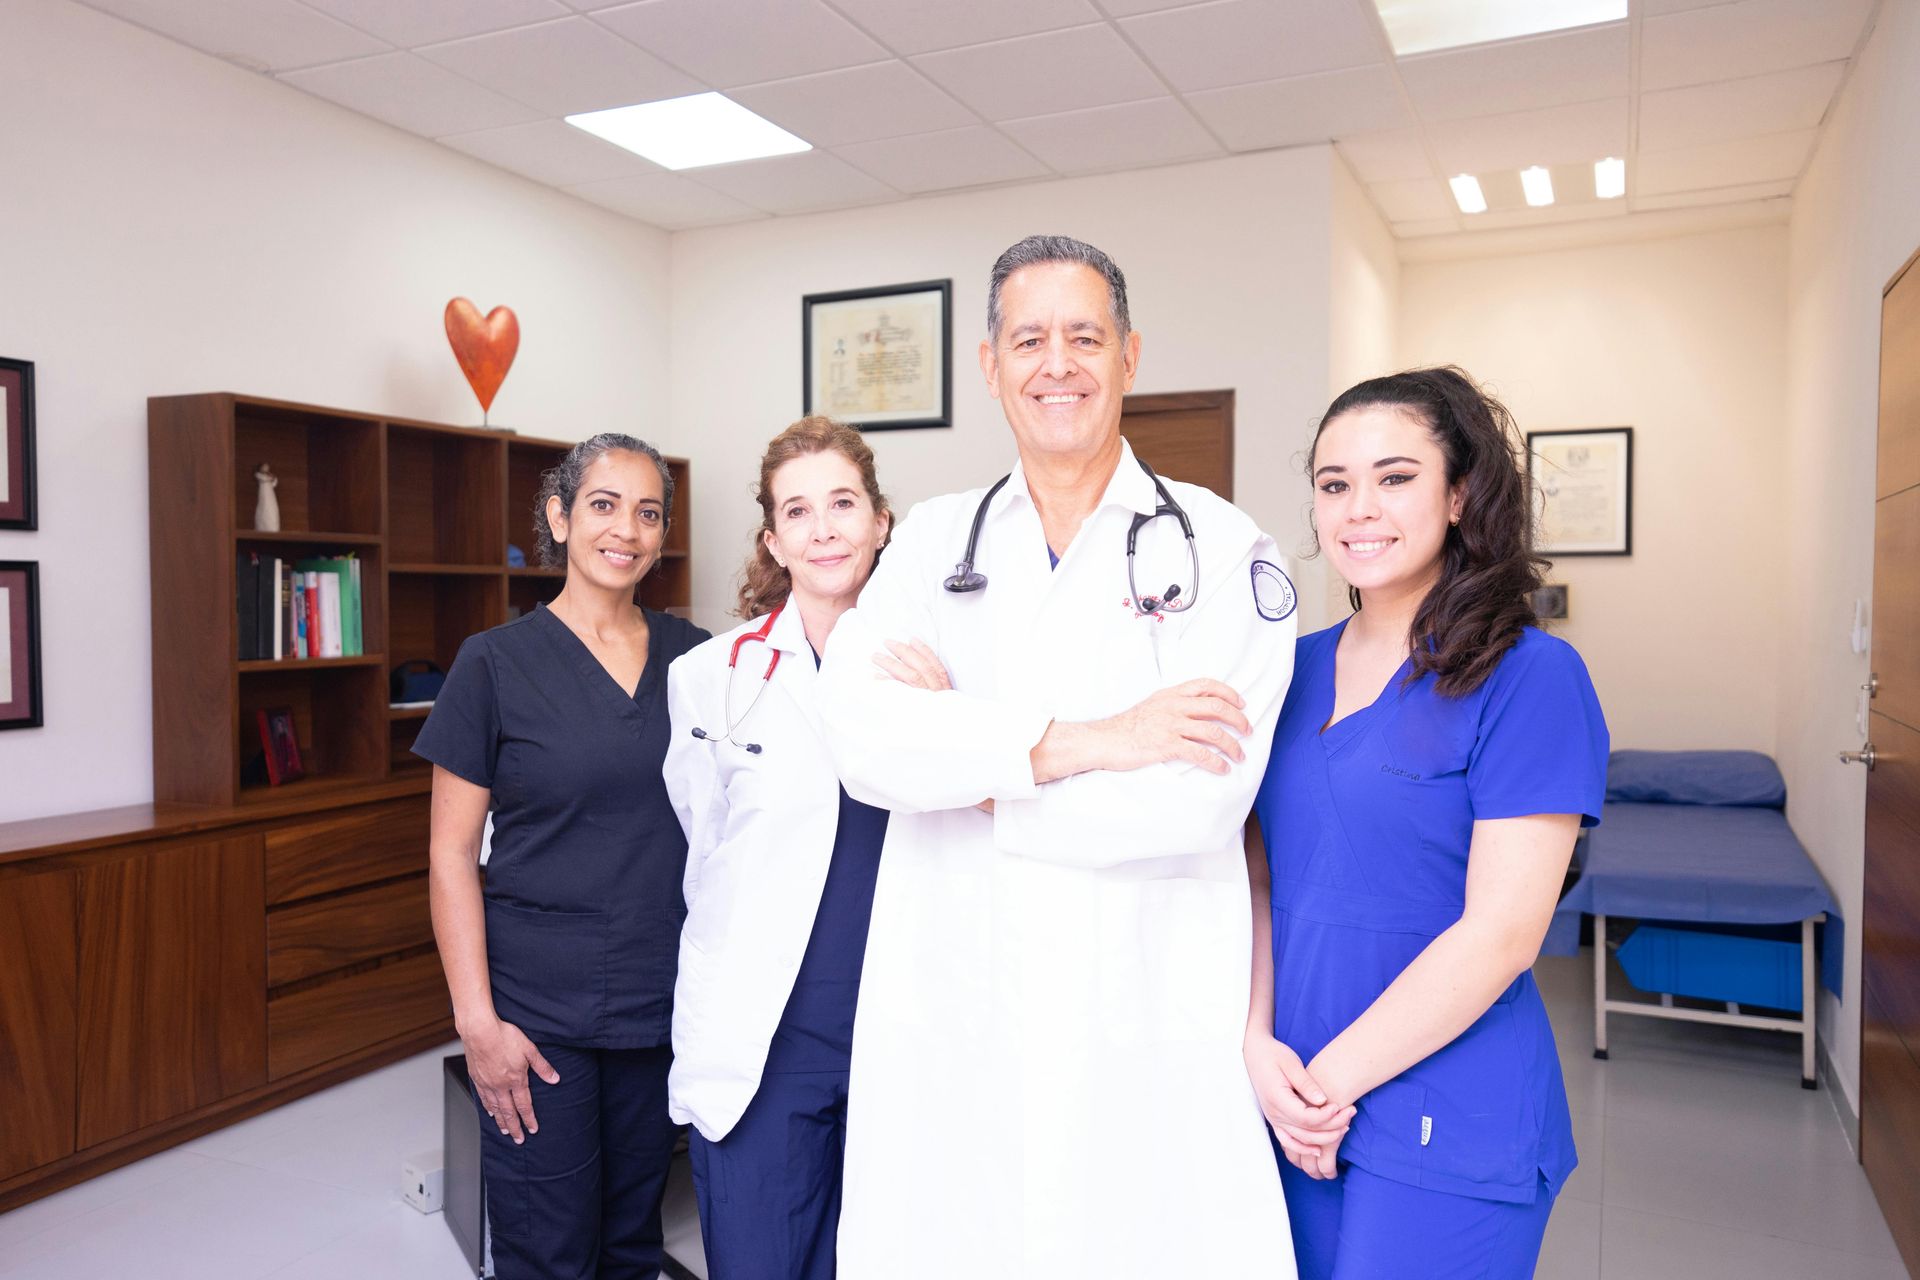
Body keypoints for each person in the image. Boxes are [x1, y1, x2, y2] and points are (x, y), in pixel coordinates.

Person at [815, 235, 1303, 1277]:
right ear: (990, 366)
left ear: (1130, 355)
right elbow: (861, 740)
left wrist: (972, 764)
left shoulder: (1223, 552)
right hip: (958, 1000)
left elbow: (1193, 806)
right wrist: (1097, 740)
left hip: (1140, 1007)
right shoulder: (929, 546)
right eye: (1028, 338)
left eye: (1085, 336)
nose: (1058, 363)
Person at [1245, 368, 1609, 1279]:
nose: (1358, 508)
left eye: (1395, 477)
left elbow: (1501, 937)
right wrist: (1255, 1044)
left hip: (1444, 1110)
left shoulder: (1530, 678)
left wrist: (1325, 1090)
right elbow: (1253, 876)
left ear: (1459, 494)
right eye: (1335, 485)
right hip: (1283, 1093)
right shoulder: (1282, 673)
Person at [416, 433, 709, 1280]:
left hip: (660, 1003)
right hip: (537, 1021)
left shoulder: (697, 659)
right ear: (559, 517)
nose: (627, 529)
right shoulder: (495, 665)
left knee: (629, 1243)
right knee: (549, 1252)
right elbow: (448, 857)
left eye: (648, 512)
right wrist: (477, 1024)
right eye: (604, 505)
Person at [662, 418, 900, 1279]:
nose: (824, 527)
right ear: (773, 539)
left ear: (880, 519)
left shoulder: (942, 668)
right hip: (768, 1039)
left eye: (843, 503)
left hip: (904, 1025)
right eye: (797, 511)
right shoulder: (711, 676)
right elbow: (705, 845)